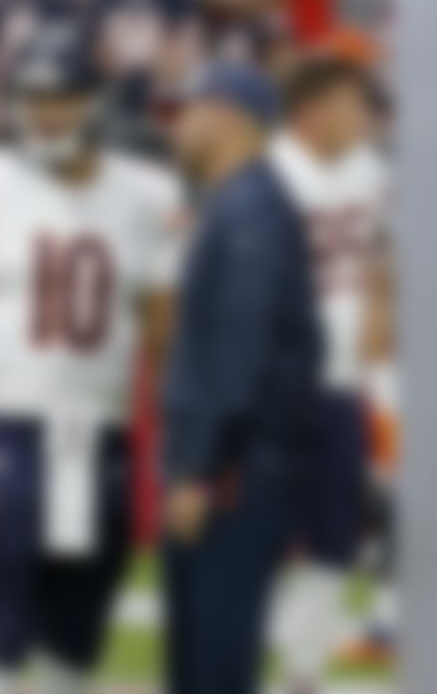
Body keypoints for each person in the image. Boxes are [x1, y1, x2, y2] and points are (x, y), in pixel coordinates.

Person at [0, 30, 184, 694]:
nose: (43, 115)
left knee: (76, 644)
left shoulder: (151, 194)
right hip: (8, 433)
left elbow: (167, 344)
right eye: (32, 100)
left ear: (96, 103)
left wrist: (176, 458)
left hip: (105, 439)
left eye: (60, 100)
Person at [163, 63, 324, 694]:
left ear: (225, 116)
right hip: (236, 464)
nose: (176, 129)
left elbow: (240, 353)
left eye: (188, 113)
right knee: (201, 662)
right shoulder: (238, 203)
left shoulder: (249, 207)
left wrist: (201, 470)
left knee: (216, 665)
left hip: (235, 471)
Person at [265, 56, 394, 690]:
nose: (366, 116)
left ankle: (302, 669)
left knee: (337, 537)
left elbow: (380, 261)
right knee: (246, 538)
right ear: (311, 111)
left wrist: (378, 314)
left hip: (339, 380)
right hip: (269, 383)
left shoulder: (374, 173)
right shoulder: (266, 173)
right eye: (352, 103)